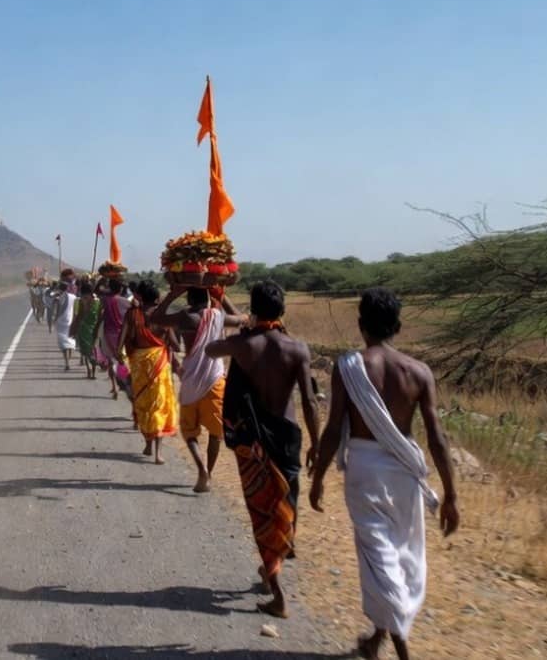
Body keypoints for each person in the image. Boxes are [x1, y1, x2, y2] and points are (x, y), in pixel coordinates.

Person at [308, 288, 459, 660]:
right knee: (399, 554)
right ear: (399, 327)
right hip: (404, 474)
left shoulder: (349, 367)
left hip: (364, 470)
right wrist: (452, 495)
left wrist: (318, 478)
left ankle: (401, 645)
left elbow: (333, 429)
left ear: (361, 326)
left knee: (378, 556)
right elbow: (437, 438)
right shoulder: (420, 372)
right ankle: (377, 640)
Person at [205, 281, 320, 619]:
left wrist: (242, 326)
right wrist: (315, 441)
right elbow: (310, 401)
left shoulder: (244, 346)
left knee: (262, 512)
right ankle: (281, 557)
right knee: (286, 500)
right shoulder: (297, 349)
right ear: (282, 310)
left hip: (253, 442)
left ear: (253, 310)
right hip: (287, 437)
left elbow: (211, 350)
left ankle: (278, 593)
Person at [150, 287, 246, 492]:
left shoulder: (186, 317)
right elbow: (241, 319)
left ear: (190, 299)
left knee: (189, 432)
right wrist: (222, 295)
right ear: (208, 298)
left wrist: (172, 294)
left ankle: (201, 470)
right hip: (215, 380)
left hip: (191, 380)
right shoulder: (218, 316)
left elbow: (156, 318)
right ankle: (209, 473)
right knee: (216, 433)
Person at [120, 280, 179, 464]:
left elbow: (121, 341)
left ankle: (148, 443)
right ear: (157, 298)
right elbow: (176, 345)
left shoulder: (132, 314)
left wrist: (121, 360)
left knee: (144, 405)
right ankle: (157, 453)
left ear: (140, 297)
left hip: (139, 366)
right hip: (159, 366)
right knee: (158, 405)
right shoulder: (163, 317)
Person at [97, 278, 132, 399]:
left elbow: (100, 316)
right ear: (121, 288)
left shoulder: (105, 301)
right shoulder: (127, 302)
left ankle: (114, 386)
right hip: (123, 335)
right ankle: (125, 383)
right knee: (123, 361)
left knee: (111, 361)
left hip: (107, 334)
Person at [70, 282, 102, 379]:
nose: (84, 296)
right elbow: (77, 316)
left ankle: (92, 372)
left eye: (85, 294)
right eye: (84, 294)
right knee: (86, 352)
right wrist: (73, 328)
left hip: (93, 330)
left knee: (92, 352)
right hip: (84, 329)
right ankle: (89, 371)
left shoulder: (97, 302)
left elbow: (100, 316)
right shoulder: (80, 302)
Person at [51, 282, 77, 370]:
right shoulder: (73, 297)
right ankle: (68, 359)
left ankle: (67, 363)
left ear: (60, 288)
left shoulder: (58, 298)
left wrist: (54, 321)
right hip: (71, 321)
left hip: (61, 323)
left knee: (63, 344)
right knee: (69, 341)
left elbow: (57, 311)